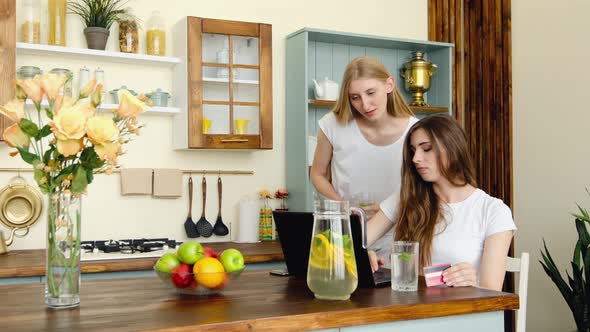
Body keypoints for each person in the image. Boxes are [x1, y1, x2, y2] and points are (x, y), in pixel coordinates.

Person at [367, 114, 516, 291]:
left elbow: (492, 292)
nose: (416, 159)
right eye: (413, 151)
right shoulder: (407, 197)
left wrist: (473, 280)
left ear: (452, 148)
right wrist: (363, 255)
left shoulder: (493, 211)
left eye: (427, 148)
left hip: (464, 314)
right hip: (409, 310)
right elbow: (349, 243)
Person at [310, 56, 418, 262]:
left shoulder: (415, 131)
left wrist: (390, 208)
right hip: (346, 231)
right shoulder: (333, 124)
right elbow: (317, 173)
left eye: (370, 93)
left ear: (389, 85)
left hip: (399, 235)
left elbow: (422, 186)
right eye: (355, 97)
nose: (365, 104)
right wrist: (342, 205)